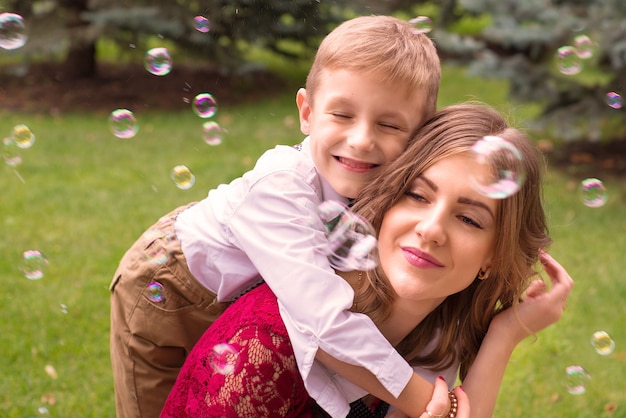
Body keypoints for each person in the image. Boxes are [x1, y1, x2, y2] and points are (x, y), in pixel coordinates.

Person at [110, 15, 442, 418]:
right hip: (167, 288)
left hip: (247, 292)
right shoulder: (281, 184)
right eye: (342, 115)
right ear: (306, 112)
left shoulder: (400, 197)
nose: (362, 140)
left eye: (389, 124)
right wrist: (420, 398)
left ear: (421, 135)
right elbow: (322, 319)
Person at [160, 103, 574, 418]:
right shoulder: (264, 350)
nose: (431, 229)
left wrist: (506, 334)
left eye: (468, 218)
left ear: (493, 259)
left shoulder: (431, 335)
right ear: (385, 203)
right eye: (417, 195)